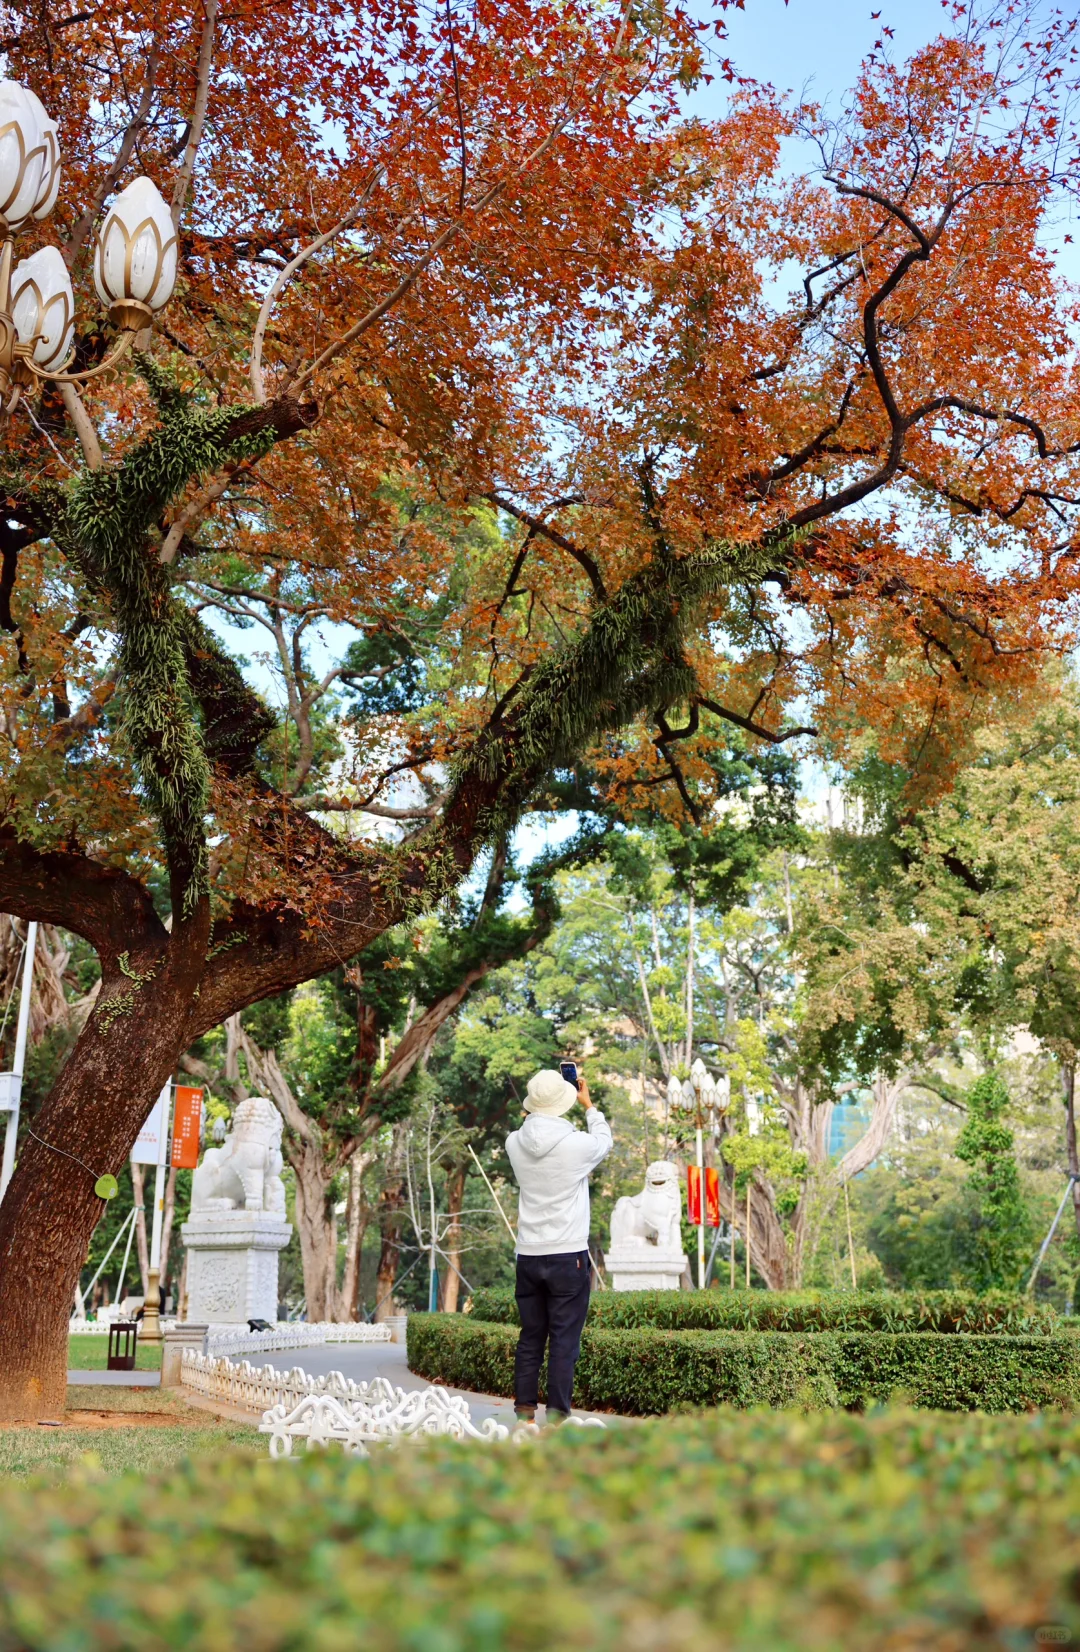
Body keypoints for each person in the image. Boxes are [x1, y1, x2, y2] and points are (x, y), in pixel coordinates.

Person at [504, 1065, 612, 1424]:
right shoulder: (577, 1144)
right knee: (564, 1339)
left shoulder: (513, 1143)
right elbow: (604, 1140)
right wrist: (588, 1105)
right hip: (568, 1256)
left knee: (530, 1336)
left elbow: (528, 1127)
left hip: (529, 1255)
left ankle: (523, 1416)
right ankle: (556, 1418)